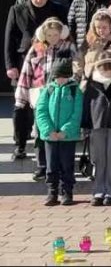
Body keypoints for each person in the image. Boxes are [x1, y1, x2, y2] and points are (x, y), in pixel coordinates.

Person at [5, 0, 69, 161]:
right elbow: (9, 39)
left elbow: (65, 37)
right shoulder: (17, 9)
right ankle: (20, 144)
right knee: (21, 105)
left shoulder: (58, 10)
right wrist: (10, 65)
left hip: (49, 64)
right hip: (22, 62)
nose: (39, 0)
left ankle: (43, 147)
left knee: (45, 106)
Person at [16, 18, 75, 181]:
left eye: (56, 34)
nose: (53, 38)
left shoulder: (69, 48)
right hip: (41, 94)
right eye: (49, 35)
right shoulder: (36, 49)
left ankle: (60, 165)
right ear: (43, 34)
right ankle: (42, 165)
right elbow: (26, 73)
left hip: (62, 95)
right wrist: (21, 99)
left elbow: (77, 68)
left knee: (60, 128)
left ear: (62, 34)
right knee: (41, 130)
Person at [81, 51, 111, 207]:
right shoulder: (91, 82)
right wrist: (85, 125)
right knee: (98, 159)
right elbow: (86, 105)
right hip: (97, 124)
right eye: (104, 67)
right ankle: (98, 191)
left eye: (110, 66)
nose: (107, 71)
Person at [35, 57, 83, 206]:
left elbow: (77, 113)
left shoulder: (75, 90)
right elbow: (41, 111)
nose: (60, 80)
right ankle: (52, 192)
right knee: (51, 165)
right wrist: (48, 130)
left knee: (67, 165)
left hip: (67, 137)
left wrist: (65, 130)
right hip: (50, 137)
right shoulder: (48, 89)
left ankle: (67, 192)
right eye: (58, 77)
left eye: (64, 77)